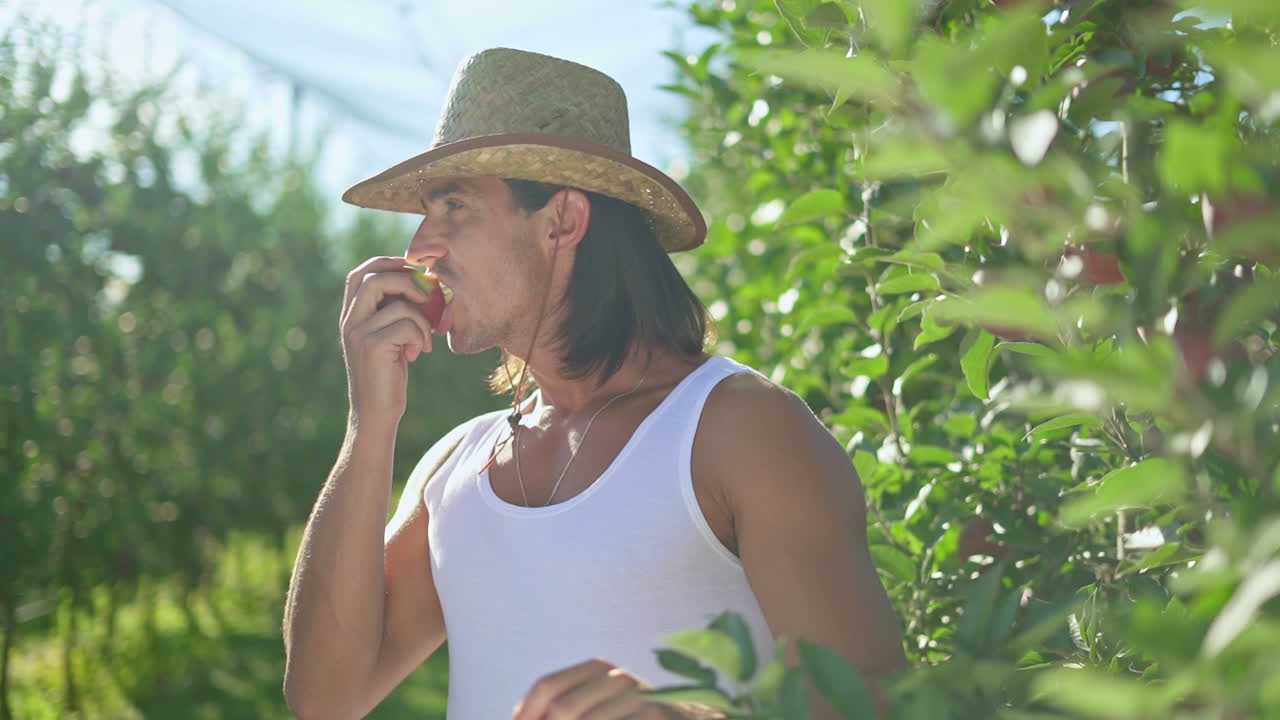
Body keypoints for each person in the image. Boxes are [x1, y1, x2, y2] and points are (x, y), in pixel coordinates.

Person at [282, 47, 906, 720]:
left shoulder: (741, 429)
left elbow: (878, 704)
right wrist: (368, 425)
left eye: (454, 205)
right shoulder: (455, 468)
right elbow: (324, 700)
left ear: (563, 222)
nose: (420, 247)